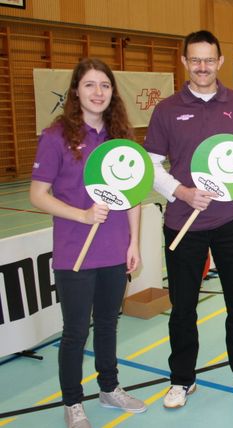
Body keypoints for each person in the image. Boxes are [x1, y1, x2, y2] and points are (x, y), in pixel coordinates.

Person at [144, 30, 233, 408]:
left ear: (220, 62)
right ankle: (182, 379)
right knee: (183, 308)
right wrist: (181, 192)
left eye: (209, 59)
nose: (202, 66)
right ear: (185, 62)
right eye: (195, 59)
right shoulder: (167, 109)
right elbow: (152, 164)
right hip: (183, 222)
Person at [30, 58, 146, 428]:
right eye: (90, 85)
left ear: (113, 92)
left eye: (105, 85)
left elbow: (133, 195)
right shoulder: (55, 136)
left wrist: (134, 243)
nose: (98, 92)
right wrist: (80, 215)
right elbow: (37, 194)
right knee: (76, 332)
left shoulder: (120, 138)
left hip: (115, 248)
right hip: (74, 251)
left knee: (109, 324)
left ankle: (109, 388)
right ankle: (72, 402)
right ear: (76, 91)